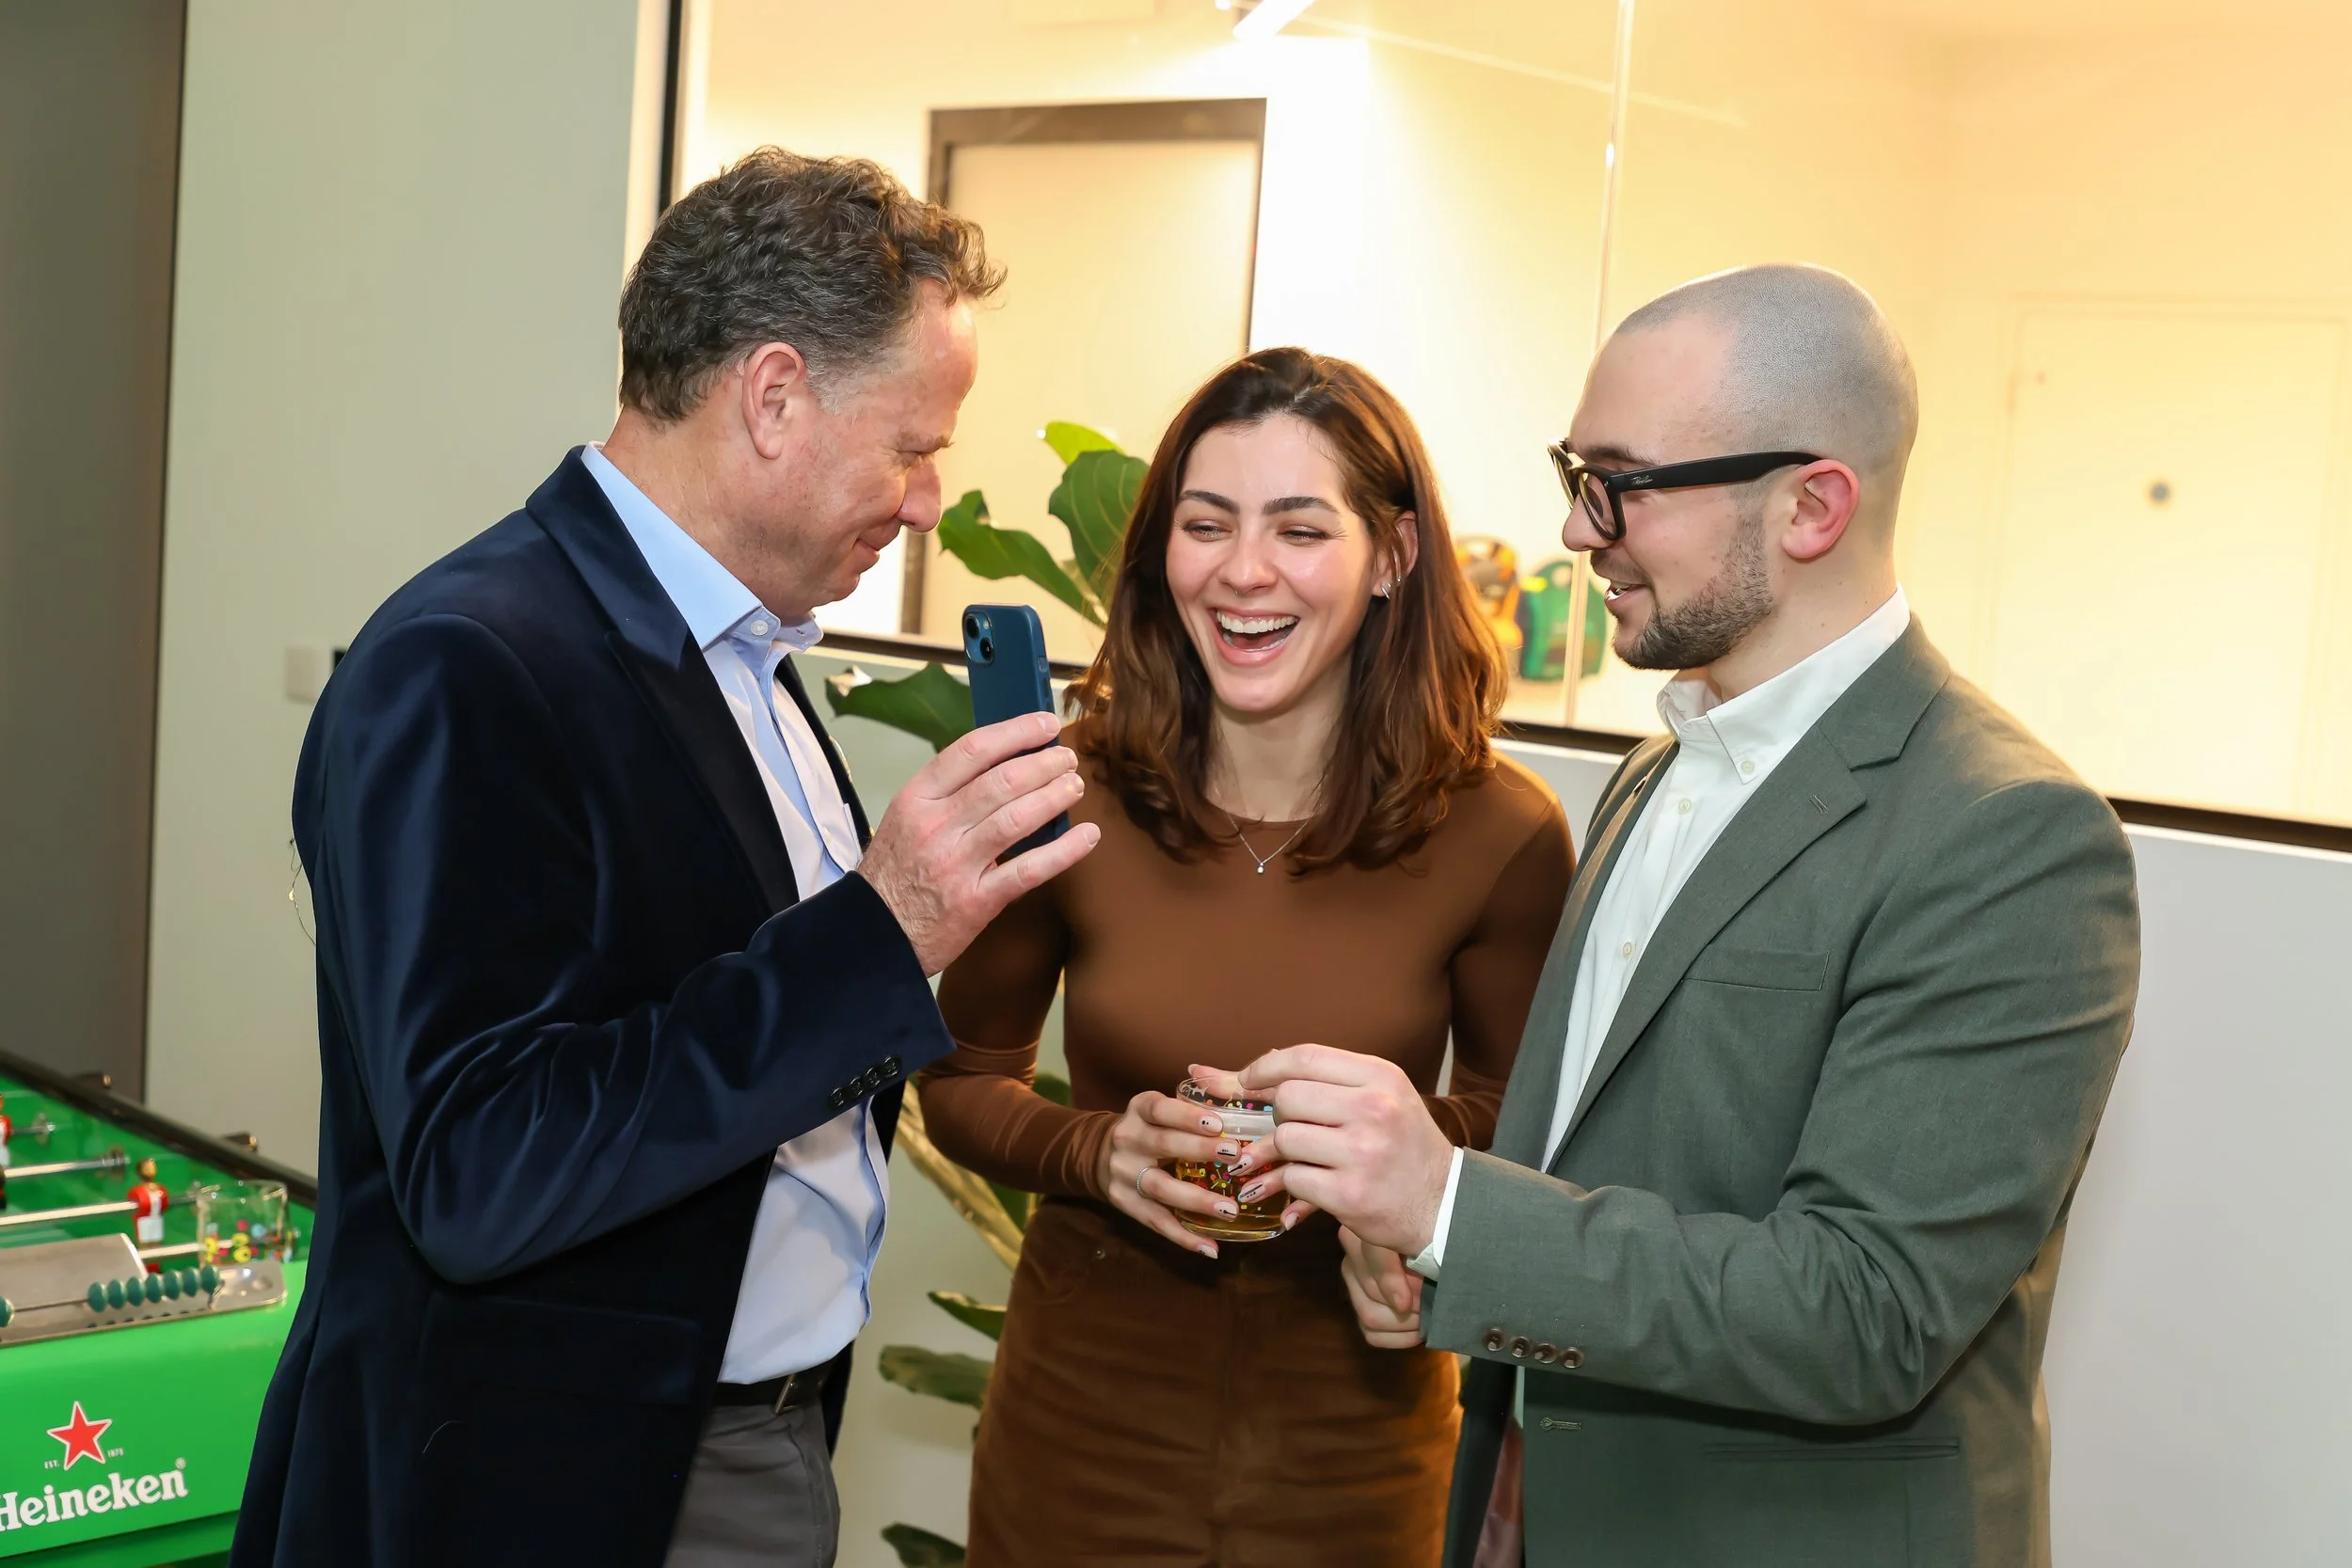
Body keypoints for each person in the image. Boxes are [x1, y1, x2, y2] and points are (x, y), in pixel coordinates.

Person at [230, 150, 1100, 1568]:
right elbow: (481, 1164)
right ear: (772, 396)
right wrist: (882, 932)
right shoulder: (465, 664)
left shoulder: (745, 651)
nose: (933, 498)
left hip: (740, 1439)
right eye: (913, 444)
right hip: (557, 1486)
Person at [1205, 265, 2141, 1568]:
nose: (1582, 532)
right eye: (1574, 475)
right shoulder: (1657, 771)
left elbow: (1865, 1311)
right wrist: (1436, 1257)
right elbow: (1612, 1175)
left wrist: (1456, 1209)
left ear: (1812, 504)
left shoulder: (2006, 833)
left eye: (1624, 483)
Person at [919, 347, 1575, 1566]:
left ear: (1393, 556)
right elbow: (958, 1079)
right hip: (1082, 1415)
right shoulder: (1063, 793)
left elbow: (1520, 1118)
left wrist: (1380, 1146)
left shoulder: (1504, 831)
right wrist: (1102, 1149)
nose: (1243, 570)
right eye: (1206, 523)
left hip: (1357, 1429)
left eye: (1299, 528)